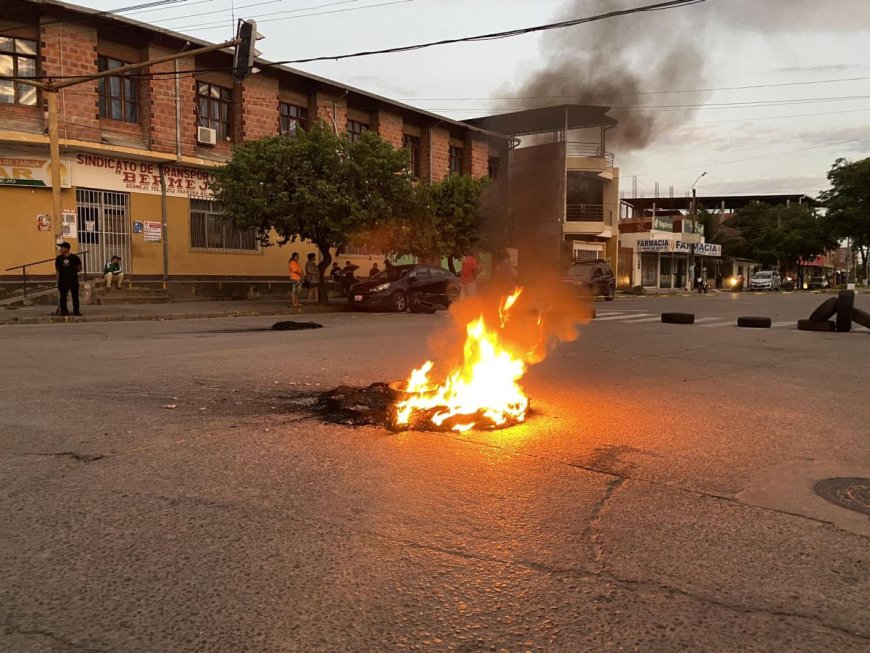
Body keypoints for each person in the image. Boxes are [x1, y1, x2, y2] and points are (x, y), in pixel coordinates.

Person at [55, 242, 83, 316]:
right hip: (62, 281)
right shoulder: (59, 258)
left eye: (62, 248)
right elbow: (57, 270)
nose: (60, 249)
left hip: (73, 280)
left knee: (75, 297)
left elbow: (79, 267)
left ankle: (76, 311)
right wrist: (57, 281)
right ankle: (64, 311)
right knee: (63, 297)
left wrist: (72, 272)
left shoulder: (75, 258)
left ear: (67, 249)